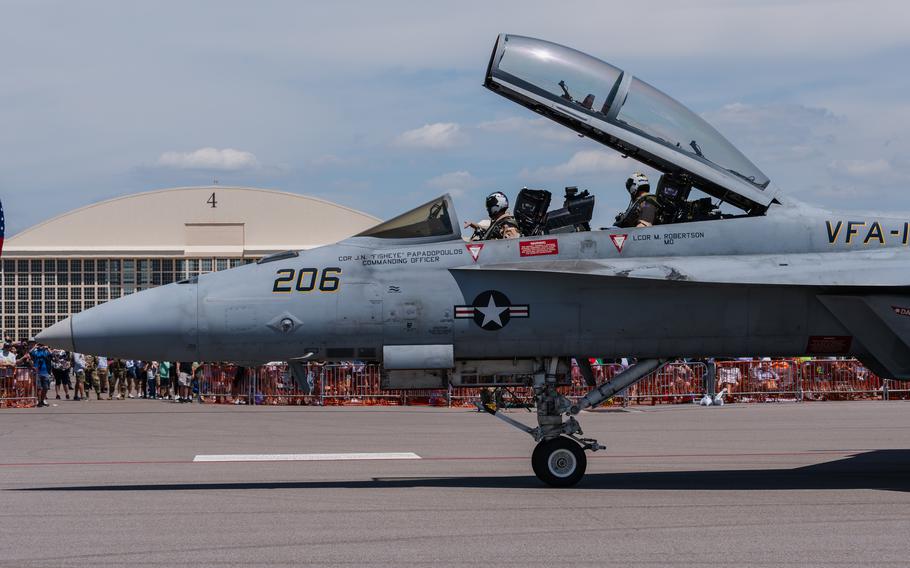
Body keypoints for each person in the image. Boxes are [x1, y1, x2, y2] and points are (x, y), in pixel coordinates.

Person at [28, 342, 53, 407]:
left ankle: (42, 400)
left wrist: (47, 348)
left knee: (45, 387)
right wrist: (35, 347)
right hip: (37, 372)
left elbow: (51, 354)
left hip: (45, 372)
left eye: (42, 345)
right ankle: (39, 401)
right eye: (40, 345)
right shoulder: (36, 352)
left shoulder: (45, 351)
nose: (41, 346)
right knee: (39, 388)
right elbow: (29, 353)